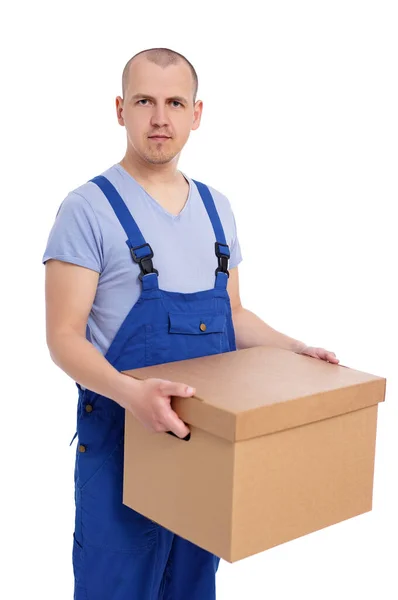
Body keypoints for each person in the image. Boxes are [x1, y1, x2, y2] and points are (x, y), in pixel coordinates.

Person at [43, 47, 339, 600]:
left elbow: (233, 313)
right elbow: (63, 338)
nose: (160, 118)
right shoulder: (87, 208)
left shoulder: (216, 207)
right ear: (120, 109)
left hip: (203, 449)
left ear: (196, 114)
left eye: (175, 102)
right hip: (121, 448)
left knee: (192, 587)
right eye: (144, 101)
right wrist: (135, 395)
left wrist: (295, 348)